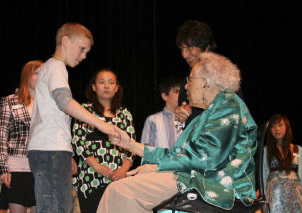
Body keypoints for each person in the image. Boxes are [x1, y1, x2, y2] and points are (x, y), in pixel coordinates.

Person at [97, 52, 258, 212]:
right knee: (119, 190)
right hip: (195, 176)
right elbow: (179, 154)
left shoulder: (228, 104)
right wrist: (131, 145)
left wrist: (158, 167)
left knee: (120, 191)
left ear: (205, 83)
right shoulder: (207, 114)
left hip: (215, 182)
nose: (185, 86)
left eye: (189, 80)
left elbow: (205, 157)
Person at [27, 23, 119, 213]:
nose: (84, 55)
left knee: (59, 206)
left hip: (53, 148)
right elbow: (64, 102)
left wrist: (66, 151)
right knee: (55, 208)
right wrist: (103, 125)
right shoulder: (56, 67)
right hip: (50, 149)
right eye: (82, 48)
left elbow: (53, 114)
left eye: (87, 51)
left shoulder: (50, 68)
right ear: (65, 41)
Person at [72, 68, 136, 213]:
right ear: (94, 87)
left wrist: (123, 170)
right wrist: (98, 167)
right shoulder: (84, 110)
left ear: (116, 87)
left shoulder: (125, 114)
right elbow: (78, 142)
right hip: (91, 176)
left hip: (118, 178)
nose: (106, 86)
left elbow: (132, 146)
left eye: (111, 82)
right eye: (102, 82)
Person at [0, 60, 43, 213]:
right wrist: (2, 168)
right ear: (27, 76)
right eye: (36, 73)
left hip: (41, 168)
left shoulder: (50, 104)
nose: (41, 77)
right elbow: (0, 135)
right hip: (16, 167)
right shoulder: (10, 101)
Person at [174, 20, 217, 129]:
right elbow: (187, 131)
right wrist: (181, 119)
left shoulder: (224, 79)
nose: (184, 55)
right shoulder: (185, 83)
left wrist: (193, 113)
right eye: (181, 49)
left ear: (206, 48)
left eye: (189, 47)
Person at [263, 114, 302, 212]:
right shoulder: (266, 151)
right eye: (272, 126)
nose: (276, 129)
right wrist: (263, 199)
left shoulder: (298, 150)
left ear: (287, 127)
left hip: (295, 197)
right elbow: (264, 175)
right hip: (274, 197)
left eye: (280, 125)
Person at [140, 76, 181, 148]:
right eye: (176, 91)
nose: (180, 95)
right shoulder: (153, 120)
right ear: (165, 96)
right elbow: (145, 150)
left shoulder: (187, 119)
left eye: (182, 92)